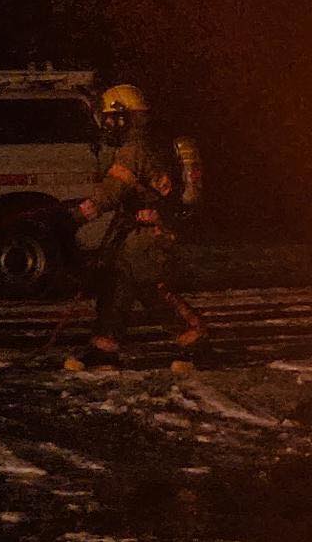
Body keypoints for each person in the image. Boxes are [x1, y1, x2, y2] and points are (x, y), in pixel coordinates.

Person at [65, 83, 206, 371]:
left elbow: (112, 192)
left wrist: (76, 216)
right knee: (116, 284)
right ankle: (104, 347)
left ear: (124, 117)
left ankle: (195, 338)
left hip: (149, 232)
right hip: (137, 230)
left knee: (150, 287)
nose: (106, 125)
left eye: (110, 119)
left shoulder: (134, 150)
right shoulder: (150, 144)